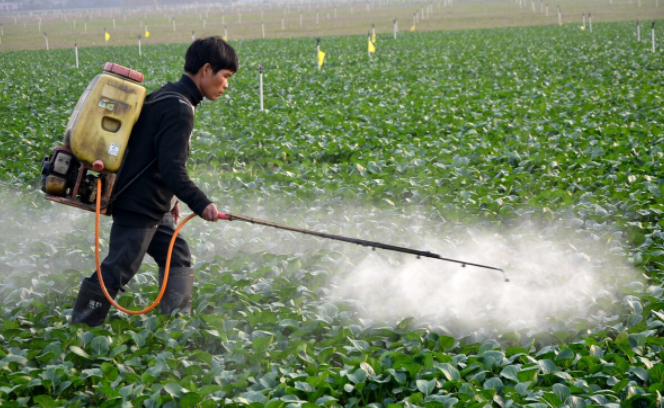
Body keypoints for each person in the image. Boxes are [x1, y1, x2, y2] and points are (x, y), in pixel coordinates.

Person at [71, 36, 238, 326]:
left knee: (178, 256)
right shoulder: (180, 108)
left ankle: (176, 327)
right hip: (140, 205)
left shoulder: (167, 94)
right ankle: (79, 329)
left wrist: (171, 200)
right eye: (225, 77)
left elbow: (150, 155)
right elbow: (172, 168)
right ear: (207, 69)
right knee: (118, 269)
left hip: (152, 204)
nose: (226, 85)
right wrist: (202, 203)